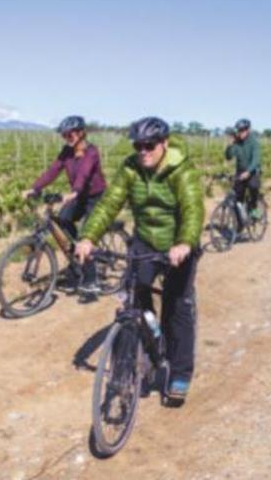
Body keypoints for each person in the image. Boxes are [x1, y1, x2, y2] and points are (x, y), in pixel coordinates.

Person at [75, 116, 204, 401]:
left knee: (177, 307)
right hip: (145, 241)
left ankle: (180, 373)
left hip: (177, 245)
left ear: (164, 144)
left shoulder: (181, 170)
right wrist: (88, 237)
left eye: (149, 145)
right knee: (132, 298)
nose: (143, 151)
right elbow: (110, 203)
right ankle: (131, 361)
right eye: (138, 145)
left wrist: (184, 242)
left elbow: (193, 209)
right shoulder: (131, 168)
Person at [22, 115, 107, 292]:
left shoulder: (92, 152)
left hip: (95, 197)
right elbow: (52, 171)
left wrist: (74, 192)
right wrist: (35, 188)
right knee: (62, 221)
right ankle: (78, 258)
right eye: (64, 135)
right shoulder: (66, 152)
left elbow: (83, 174)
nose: (67, 138)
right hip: (78, 197)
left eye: (71, 134)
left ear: (81, 133)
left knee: (86, 235)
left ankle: (91, 279)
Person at [224, 118, 263, 222]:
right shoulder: (237, 142)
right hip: (240, 171)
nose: (240, 133)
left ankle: (254, 209)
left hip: (252, 170)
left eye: (242, 130)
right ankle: (240, 223)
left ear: (248, 130)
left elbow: (256, 159)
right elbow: (228, 157)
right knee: (237, 198)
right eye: (239, 130)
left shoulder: (254, 142)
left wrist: (249, 172)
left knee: (253, 186)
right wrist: (230, 145)